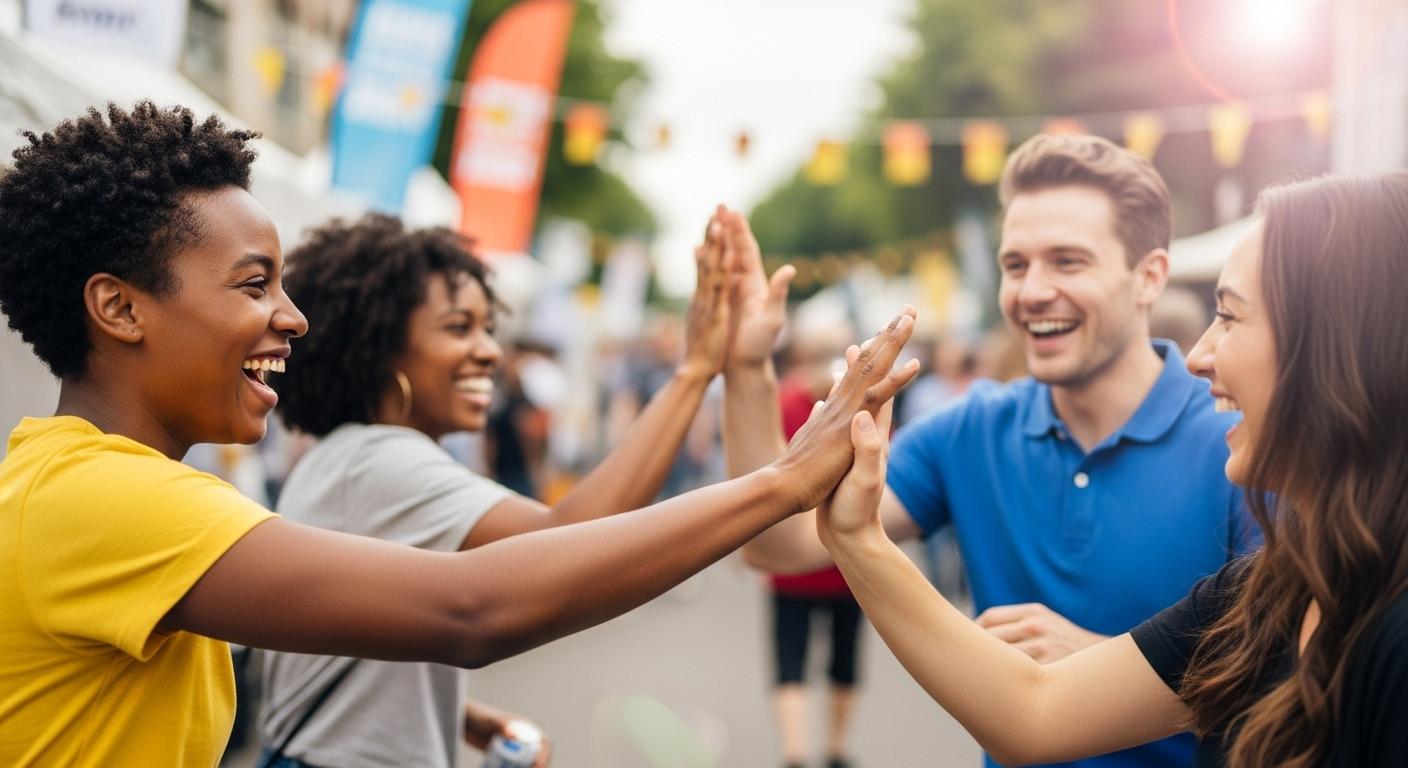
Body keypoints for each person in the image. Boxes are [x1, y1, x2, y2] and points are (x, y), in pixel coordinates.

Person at [0, 102, 919, 767]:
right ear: (119, 308)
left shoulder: (93, 484)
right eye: (253, 285)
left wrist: (459, 716)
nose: (293, 317)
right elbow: (471, 608)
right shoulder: (108, 497)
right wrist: (783, 480)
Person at [816, 170, 1408, 767]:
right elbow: (1033, 715)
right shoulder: (1275, 584)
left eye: (1229, 316)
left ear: (1340, 345)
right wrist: (857, 537)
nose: (1200, 355)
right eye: (1015, 264)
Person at [724, 134, 1249, 768]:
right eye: (1015, 265)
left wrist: (1101, 666)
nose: (1032, 290)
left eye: (1068, 262)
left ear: (1149, 277)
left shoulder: (1240, 445)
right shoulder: (971, 430)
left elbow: (1297, 687)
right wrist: (746, 369)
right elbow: (776, 547)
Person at [254, 212, 750, 768]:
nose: (490, 350)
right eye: (459, 327)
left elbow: (352, 641)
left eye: (489, 328)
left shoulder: (343, 458)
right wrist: (695, 372)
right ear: (380, 346)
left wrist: (460, 715)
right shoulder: (378, 459)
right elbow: (573, 541)